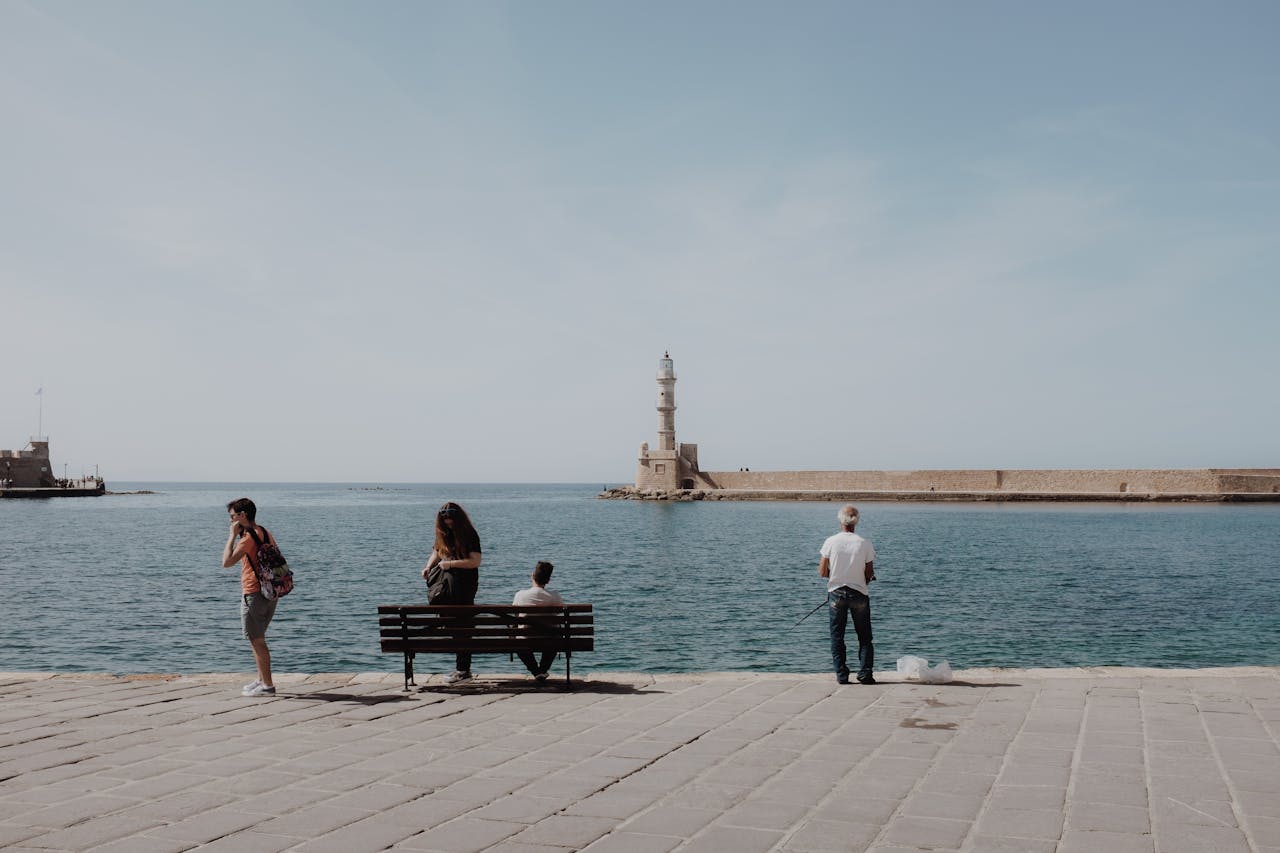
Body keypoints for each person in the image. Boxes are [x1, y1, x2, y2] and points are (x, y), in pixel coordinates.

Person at [222, 497, 280, 697]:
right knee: (257, 639)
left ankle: (268, 686)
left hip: (254, 593)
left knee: (257, 640)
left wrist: (231, 537)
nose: (231, 521)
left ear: (242, 516)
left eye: (232, 517)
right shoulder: (264, 532)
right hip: (270, 593)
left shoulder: (247, 539)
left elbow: (227, 562)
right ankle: (261, 679)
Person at [421, 502, 483, 683]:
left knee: (462, 627)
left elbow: (475, 561)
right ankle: (462, 669)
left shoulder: (469, 534)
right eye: (444, 518)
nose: (447, 521)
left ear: (458, 518)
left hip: (463, 588)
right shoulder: (444, 534)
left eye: (450, 518)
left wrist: (450, 564)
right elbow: (437, 551)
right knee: (456, 628)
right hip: (447, 587)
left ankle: (463, 670)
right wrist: (428, 566)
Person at [818, 504, 878, 685]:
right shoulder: (864, 543)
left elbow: (822, 572)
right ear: (856, 521)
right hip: (859, 592)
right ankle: (865, 674)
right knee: (865, 637)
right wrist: (865, 578)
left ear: (840, 520)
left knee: (837, 636)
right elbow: (869, 573)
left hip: (836, 593)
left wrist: (837, 576)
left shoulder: (830, 541)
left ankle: (842, 675)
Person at [511, 561, 564, 681]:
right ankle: (543, 670)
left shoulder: (520, 595)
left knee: (517, 639)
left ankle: (535, 671)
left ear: (532, 576)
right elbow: (559, 612)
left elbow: (515, 614)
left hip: (526, 639)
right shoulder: (555, 596)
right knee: (555, 637)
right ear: (548, 580)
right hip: (549, 639)